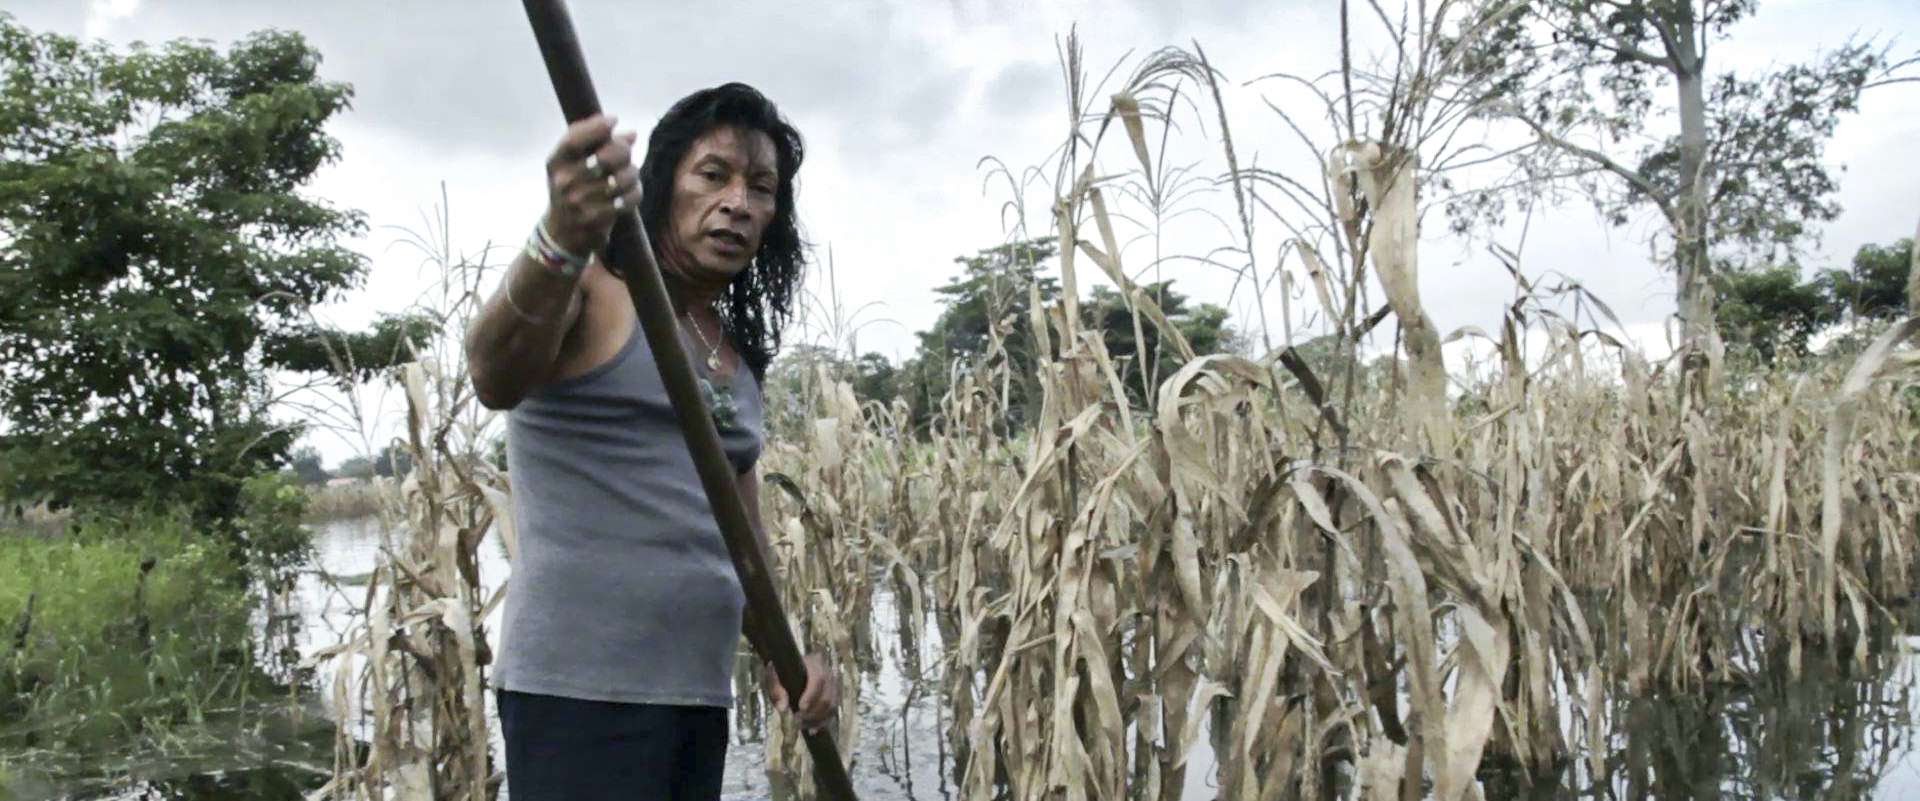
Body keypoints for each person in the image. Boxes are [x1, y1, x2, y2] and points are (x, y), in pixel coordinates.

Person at [464, 82, 839, 801]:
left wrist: (788, 658)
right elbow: (492, 374)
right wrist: (559, 237)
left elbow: (743, 541)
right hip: (581, 694)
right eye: (713, 175)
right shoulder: (592, 289)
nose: (738, 202)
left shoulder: (734, 357)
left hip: (695, 696)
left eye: (761, 188)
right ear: (662, 185)